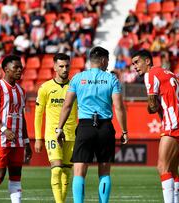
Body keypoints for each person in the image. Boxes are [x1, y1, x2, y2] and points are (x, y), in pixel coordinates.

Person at [55, 46, 129, 203]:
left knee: (79, 170)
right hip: (105, 127)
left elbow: (67, 106)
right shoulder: (112, 79)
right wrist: (124, 131)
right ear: (103, 60)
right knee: (104, 171)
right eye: (107, 60)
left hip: (85, 126)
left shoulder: (77, 78)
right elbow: (118, 107)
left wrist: (59, 128)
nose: (108, 63)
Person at [131, 50, 179, 203]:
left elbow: (152, 105)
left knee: (162, 167)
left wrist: (150, 108)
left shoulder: (150, 74)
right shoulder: (168, 72)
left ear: (147, 61)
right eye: (133, 64)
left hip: (174, 122)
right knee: (172, 169)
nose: (135, 67)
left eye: (137, 62)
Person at [0, 55, 32, 203]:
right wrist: (4, 129)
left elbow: (21, 117)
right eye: (15, 67)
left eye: (20, 67)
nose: (19, 70)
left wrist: (27, 141)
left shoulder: (21, 91)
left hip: (17, 138)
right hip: (0, 137)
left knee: (16, 174)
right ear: (6, 70)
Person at [34, 53, 78, 203]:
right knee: (57, 168)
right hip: (52, 134)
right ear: (54, 67)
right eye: (61, 66)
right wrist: (38, 138)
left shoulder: (75, 86)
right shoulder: (45, 88)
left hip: (72, 134)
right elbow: (38, 114)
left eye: (67, 66)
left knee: (66, 170)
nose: (65, 69)